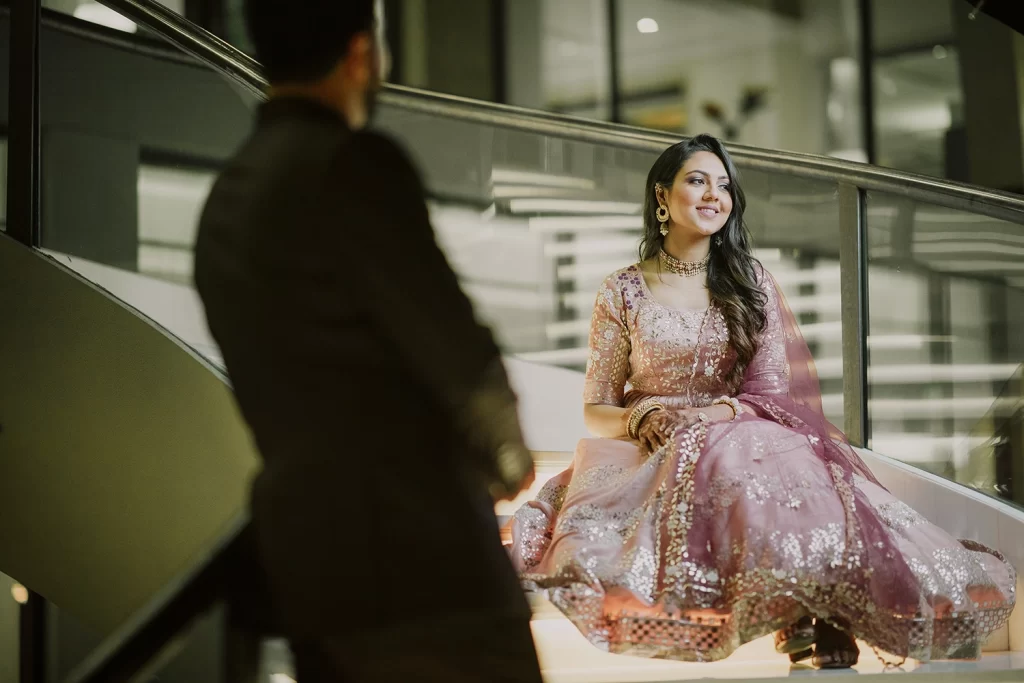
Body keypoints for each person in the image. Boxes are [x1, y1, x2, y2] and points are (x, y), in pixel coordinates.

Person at [508, 134, 1016, 669]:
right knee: (736, 455)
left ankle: (817, 604)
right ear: (662, 196)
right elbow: (596, 409)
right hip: (653, 444)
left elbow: (771, 393)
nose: (713, 195)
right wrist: (645, 414)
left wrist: (708, 416)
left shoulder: (751, 283)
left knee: (759, 447)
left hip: (739, 428)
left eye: (724, 186)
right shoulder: (623, 290)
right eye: (697, 181)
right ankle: (800, 610)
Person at [194, 1, 542, 680]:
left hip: (310, 571)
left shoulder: (227, 198)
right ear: (361, 55)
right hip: (423, 563)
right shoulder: (353, 164)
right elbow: (451, 342)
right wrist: (507, 458)